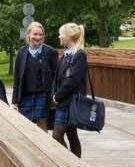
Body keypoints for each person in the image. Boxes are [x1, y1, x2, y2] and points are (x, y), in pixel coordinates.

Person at [12, 22, 58, 131]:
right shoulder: (21, 52)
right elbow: (17, 78)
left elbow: (56, 77)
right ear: (28, 35)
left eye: (41, 35)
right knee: (25, 127)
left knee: (42, 125)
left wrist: (54, 95)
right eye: (35, 34)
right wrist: (15, 101)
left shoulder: (50, 52)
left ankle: (44, 148)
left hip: (42, 95)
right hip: (25, 96)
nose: (38, 37)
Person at [51, 23, 87, 158]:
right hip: (63, 101)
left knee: (56, 136)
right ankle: (77, 165)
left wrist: (57, 96)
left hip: (69, 102)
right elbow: (57, 77)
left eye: (61, 33)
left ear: (68, 36)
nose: (59, 36)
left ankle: (70, 164)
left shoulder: (79, 55)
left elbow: (73, 81)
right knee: (72, 135)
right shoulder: (66, 55)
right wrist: (54, 94)